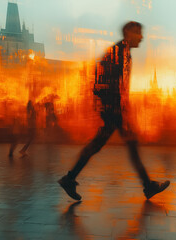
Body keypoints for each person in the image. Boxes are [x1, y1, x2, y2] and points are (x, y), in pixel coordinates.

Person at [58, 21, 170, 201]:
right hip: (113, 110)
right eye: (138, 33)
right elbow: (101, 79)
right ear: (128, 33)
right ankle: (148, 186)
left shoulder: (123, 53)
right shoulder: (118, 52)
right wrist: (112, 107)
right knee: (126, 146)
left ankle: (69, 178)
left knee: (100, 145)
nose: (141, 37)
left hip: (114, 109)